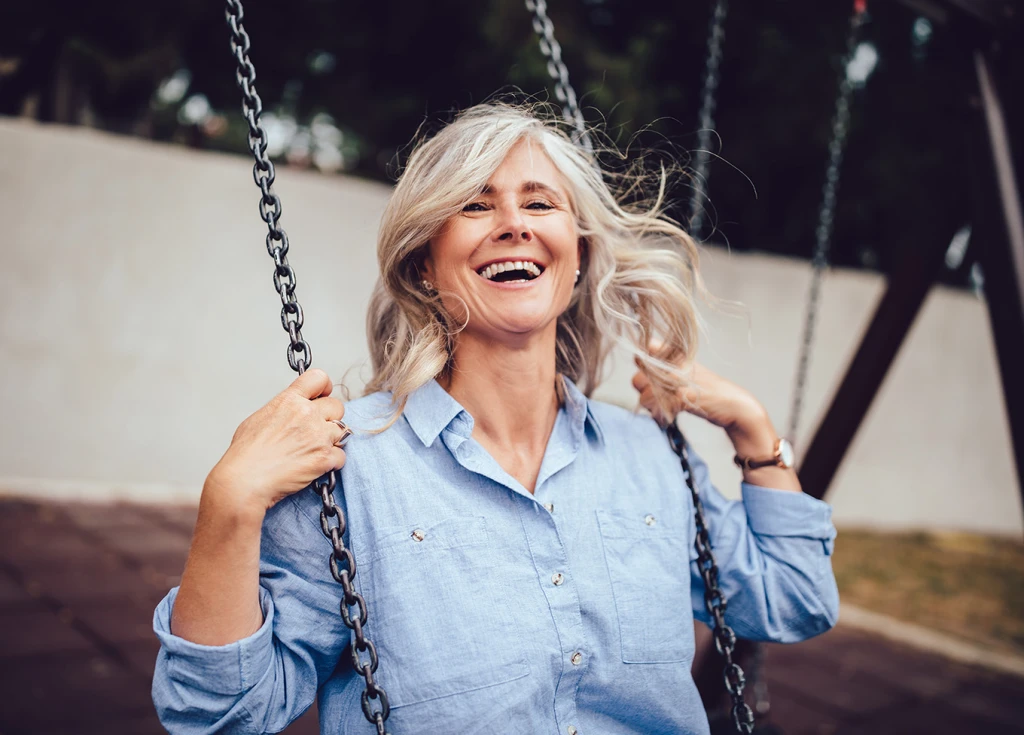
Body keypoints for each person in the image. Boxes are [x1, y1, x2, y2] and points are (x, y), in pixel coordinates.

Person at [152, 102, 839, 735]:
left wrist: (753, 430)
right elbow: (217, 715)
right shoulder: (350, 467)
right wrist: (229, 504)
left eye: (540, 202)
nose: (514, 223)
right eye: (475, 206)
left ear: (578, 257)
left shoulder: (649, 455)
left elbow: (794, 597)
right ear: (425, 264)